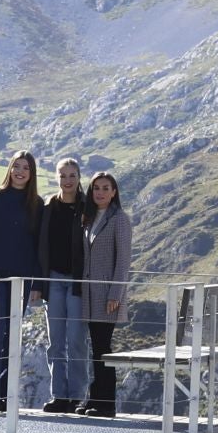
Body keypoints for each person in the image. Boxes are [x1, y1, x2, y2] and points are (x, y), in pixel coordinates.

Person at [0, 149, 45, 411]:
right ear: (9, 169)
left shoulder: (37, 204)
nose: (20, 172)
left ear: (31, 173)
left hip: (21, 280)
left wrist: (37, 283)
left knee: (11, 336)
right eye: (16, 166)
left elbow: (40, 248)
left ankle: (4, 396)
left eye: (25, 168)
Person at [37, 157, 89, 413]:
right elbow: (39, 247)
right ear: (56, 177)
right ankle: (59, 395)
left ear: (79, 177)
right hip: (54, 280)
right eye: (63, 175)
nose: (68, 180)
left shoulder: (88, 207)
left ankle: (78, 396)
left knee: (77, 340)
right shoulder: (47, 206)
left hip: (79, 283)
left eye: (72, 175)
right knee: (55, 341)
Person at [80, 170, 131, 417]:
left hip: (107, 296)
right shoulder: (90, 218)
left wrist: (115, 295)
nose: (100, 192)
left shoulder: (119, 219)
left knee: (103, 348)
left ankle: (106, 404)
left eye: (105, 188)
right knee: (96, 347)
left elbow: (122, 261)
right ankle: (94, 399)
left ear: (114, 192)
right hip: (90, 295)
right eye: (96, 188)